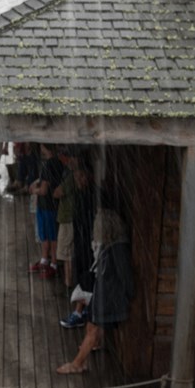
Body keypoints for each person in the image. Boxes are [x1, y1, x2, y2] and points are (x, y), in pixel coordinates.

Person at [57, 208, 133, 375]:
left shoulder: (119, 250)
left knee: (92, 329)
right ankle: (82, 360)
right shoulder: (112, 246)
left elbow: (125, 277)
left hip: (108, 298)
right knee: (92, 327)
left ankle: (77, 364)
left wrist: (124, 296)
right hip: (104, 295)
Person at [53, 148, 96, 299]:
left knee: (66, 254)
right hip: (77, 222)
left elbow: (57, 193)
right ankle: (71, 282)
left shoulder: (73, 178)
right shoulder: (81, 180)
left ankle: (68, 283)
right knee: (71, 253)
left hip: (70, 220)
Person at [28, 143, 63, 279]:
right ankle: (46, 261)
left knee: (48, 235)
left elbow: (43, 190)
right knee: (51, 234)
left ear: (45, 147)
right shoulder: (58, 163)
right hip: (52, 205)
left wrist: (33, 190)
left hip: (47, 205)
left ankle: (51, 263)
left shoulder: (48, 165)